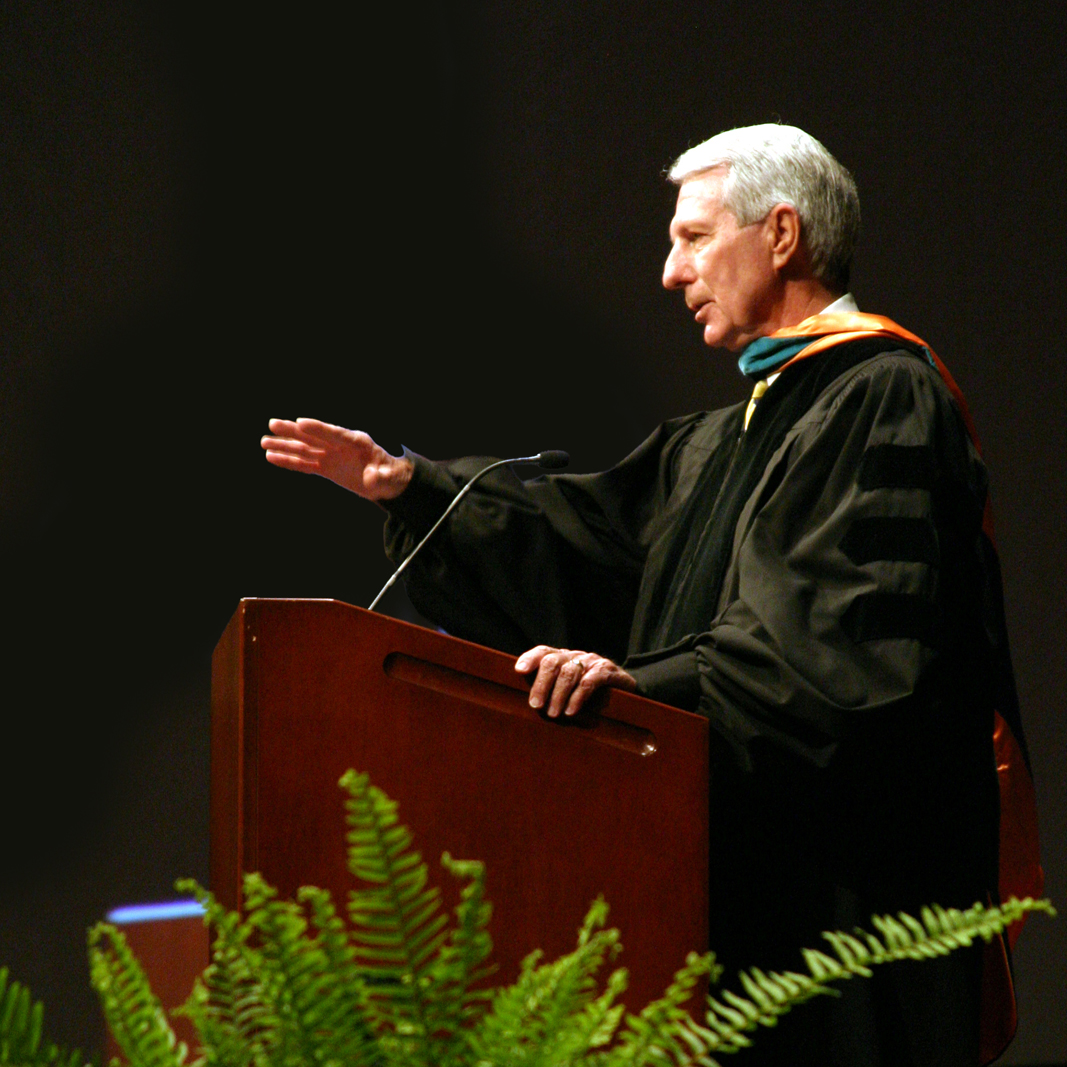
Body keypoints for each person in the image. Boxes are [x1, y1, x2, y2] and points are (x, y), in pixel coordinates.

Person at [261, 125, 1041, 1066]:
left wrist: (646, 687)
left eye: (694, 237)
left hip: (834, 907)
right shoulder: (717, 440)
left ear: (781, 234)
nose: (671, 273)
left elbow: (830, 650)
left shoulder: (882, 397)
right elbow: (588, 552)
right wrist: (409, 486)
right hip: (708, 892)